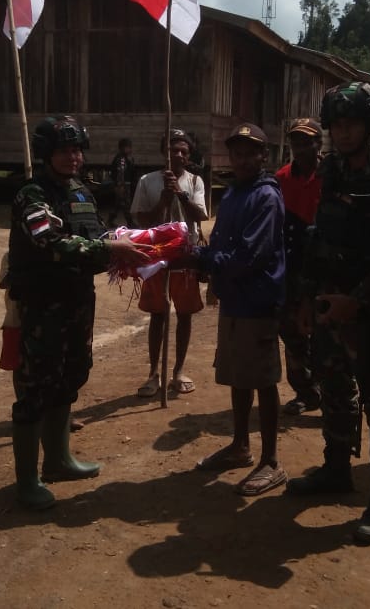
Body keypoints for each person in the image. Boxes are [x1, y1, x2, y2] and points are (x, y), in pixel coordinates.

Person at [289, 82, 370, 546]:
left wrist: (359, 300)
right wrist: (307, 297)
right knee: (335, 391)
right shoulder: (333, 174)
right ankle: (336, 468)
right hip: (328, 310)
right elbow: (318, 239)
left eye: (352, 125)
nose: (343, 133)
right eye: (337, 125)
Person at [8, 116, 150, 509]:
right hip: (42, 304)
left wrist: (130, 243)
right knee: (36, 386)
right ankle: (27, 481)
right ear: (46, 153)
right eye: (65, 150)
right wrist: (110, 251)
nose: (74, 157)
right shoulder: (32, 194)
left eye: (77, 149)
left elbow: (96, 235)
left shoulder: (81, 192)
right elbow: (50, 241)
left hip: (76, 301)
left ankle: (58, 460)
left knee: (70, 375)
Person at [182, 123, 287, 496]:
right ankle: (241, 445)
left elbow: (250, 255)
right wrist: (203, 260)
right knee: (239, 375)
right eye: (236, 152)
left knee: (263, 378)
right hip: (234, 299)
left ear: (264, 156)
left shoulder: (266, 197)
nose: (242, 159)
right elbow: (222, 243)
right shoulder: (233, 193)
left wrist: (201, 260)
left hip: (257, 300)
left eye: (250, 152)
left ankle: (271, 461)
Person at [131, 129, 208, 397]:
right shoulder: (147, 181)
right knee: (157, 315)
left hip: (185, 257)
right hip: (158, 257)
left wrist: (180, 195)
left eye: (182, 151)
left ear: (188, 156)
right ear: (163, 153)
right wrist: (163, 200)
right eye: (172, 150)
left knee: (184, 315)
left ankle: (178, 371)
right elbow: (141, 221)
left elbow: (201, 216)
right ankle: (153, 373)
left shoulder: (196, 181)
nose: (177, 155)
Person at [275, 118, 324, 415]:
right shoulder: (281, 177)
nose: (301, 148)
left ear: (319, 143)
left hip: (325, 267)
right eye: (296, 142)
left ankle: (332, 394)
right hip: (291, 267)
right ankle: (306, 391)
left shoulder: (333, 175)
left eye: (308, 141)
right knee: (291, 332)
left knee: (326, 336)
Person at [106, 137, 136, 227]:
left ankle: (110, 220)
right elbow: (120, 172)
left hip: (122, 184)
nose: (130, 149)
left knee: (118, 204)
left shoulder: (125, 158)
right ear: (123, 148)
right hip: (123, 184)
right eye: (128, 147)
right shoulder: (121, 159)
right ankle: (130, 223)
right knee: (126, 204)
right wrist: (120, 185)